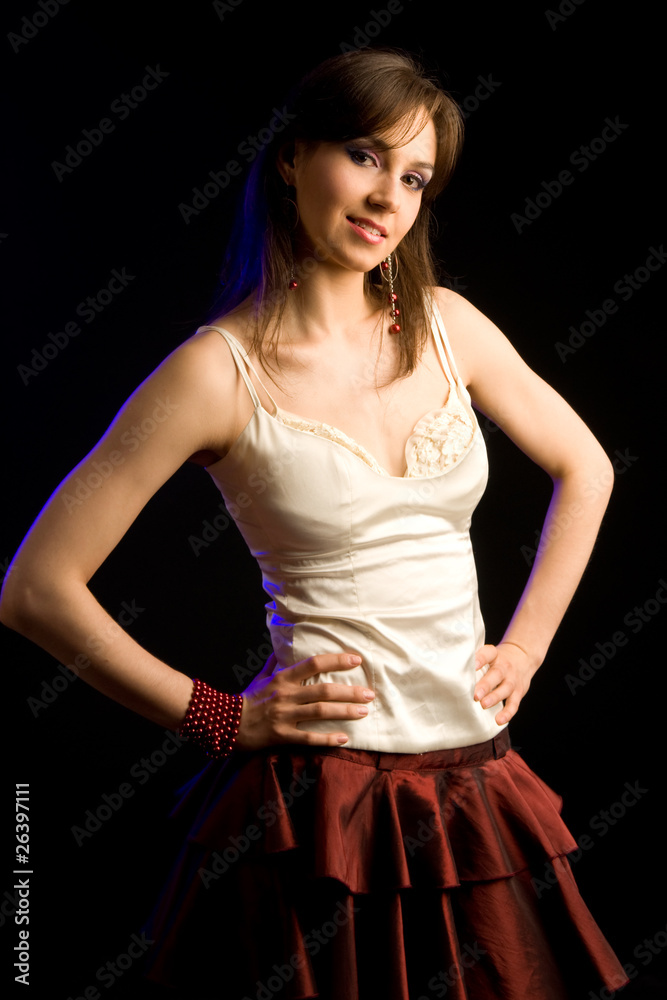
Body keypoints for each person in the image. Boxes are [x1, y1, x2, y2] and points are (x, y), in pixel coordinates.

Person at [1, 48, 630, 999]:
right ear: (293, 158)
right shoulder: (215, 372)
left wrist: (528, 648)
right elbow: (34, 589)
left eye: (413, 177)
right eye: (365, 155)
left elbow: (587, 467)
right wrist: (222, 717)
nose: (387, 198)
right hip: (317, 810)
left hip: (473, 787)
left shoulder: (449, 326)